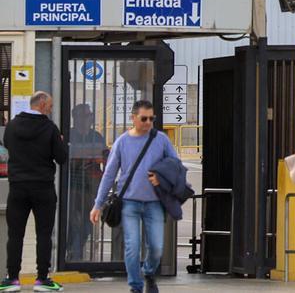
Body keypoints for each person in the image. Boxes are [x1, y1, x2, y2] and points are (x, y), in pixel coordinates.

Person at [89, 100, 180, 293]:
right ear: (133, 118)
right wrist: (98, 204)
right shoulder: (122, 141)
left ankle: (148, 271)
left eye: (151, 118)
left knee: (156, 247)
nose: (148, 122)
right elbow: (109, 174)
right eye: (144, 118)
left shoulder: (161, 139)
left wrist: (162, 177)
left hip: (155, 202)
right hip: (129, 202)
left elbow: (176, 163)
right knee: (132, 246)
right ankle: (136, 287)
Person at [1, 91, 68, 292]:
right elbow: (62, 157)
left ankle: (11, 279)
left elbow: (8, 145)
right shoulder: (50, 128)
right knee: (44, 234)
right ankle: (42, 279)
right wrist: (60, 141)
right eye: (49, 105)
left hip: (17, 188)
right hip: (43, 188)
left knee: (15, 234)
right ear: (41, 104)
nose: (51, 109)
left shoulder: (12, 126)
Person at [66, 104, 107, 261]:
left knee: (87, 221)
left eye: (90, 115)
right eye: (85, 116)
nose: (88, 119)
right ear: (75, 118)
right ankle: (71, 250)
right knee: (70, 221)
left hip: (90, 186)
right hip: (71, 184)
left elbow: (104, 156)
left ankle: (76, 251)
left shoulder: (96, 136)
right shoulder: (69, 135)